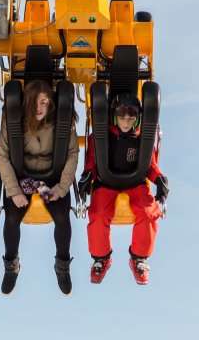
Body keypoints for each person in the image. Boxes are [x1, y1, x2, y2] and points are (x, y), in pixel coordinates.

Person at [0, 80, 79, 295]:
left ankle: (62, 266)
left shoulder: (63, 122)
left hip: (53, 178)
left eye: (44, 102)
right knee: (12, 220)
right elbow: (2, 154)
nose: (39, 108)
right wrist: (13, 190)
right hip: (22, 178)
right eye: (35, 102)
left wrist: (60, 189)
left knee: (62, 219)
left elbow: (72, 155)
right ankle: (11, 265)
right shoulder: (14, 122)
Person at [78, 93, 169, 285]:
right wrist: (87, 176)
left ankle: (139, 258)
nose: (126, 122)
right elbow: (93, 161)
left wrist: (159, 179)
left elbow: (150, 165)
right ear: (113, 116)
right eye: (122, 117)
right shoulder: (102, 136)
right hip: (107, 183)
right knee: (98, 213)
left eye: (131, 118)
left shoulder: (141, 137)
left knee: (148, 212)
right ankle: (101, 258)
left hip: (135, 183)